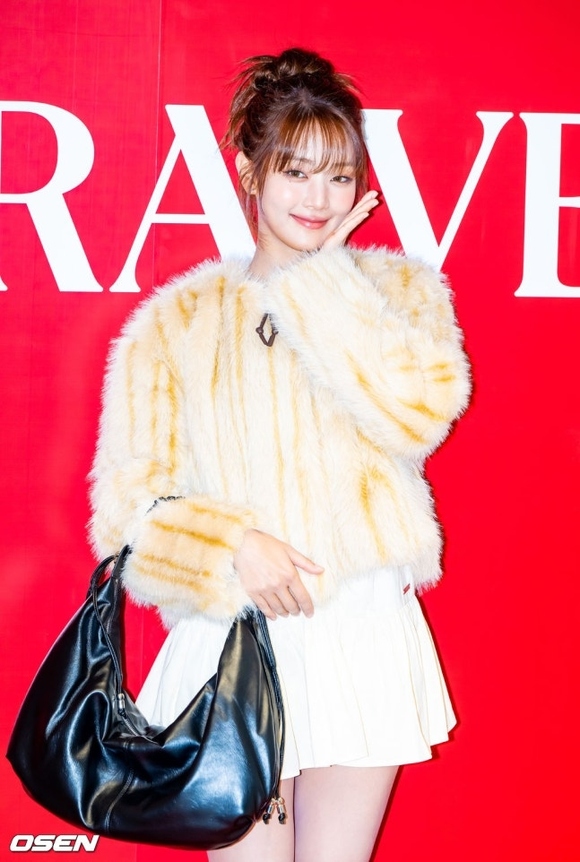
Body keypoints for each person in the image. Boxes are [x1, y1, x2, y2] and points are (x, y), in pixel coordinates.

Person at [89, 47, 470, 862]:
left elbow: (417, 418)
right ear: (249, 172)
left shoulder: (400, 294)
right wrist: (230, 544)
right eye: (296, 172)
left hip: (361, 627)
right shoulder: (175, 324)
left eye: (338, 176)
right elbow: (128, 508)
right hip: (239, 638)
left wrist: (325, 282)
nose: (318, 198)